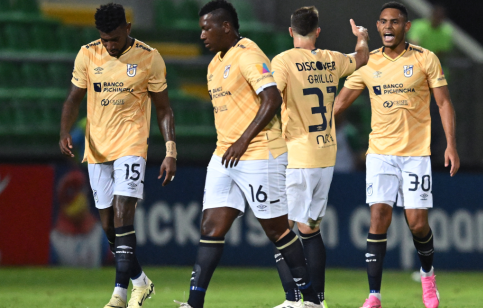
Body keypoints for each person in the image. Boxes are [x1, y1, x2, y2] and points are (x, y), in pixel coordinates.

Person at [174, 1, 321, 308]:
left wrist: (242, 140)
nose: (202, 35)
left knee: (277, 230)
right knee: (210, 228)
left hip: (259, 152)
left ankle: (310, 300)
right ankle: (194, 303)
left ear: (225, 27)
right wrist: (232, 144)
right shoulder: (215, 63)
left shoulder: (248, 54)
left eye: (207, 28)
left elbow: (272, 99)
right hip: (225, 155)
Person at [334, 2, 460, 308]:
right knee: (378, 216)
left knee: (417, 223)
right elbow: (340, 102)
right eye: (383, 22)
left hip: (416, 153)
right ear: (377, 27)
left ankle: (428, 276)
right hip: (380, 153)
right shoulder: (367, 63)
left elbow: (443, 103)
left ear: (406, 27)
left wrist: (451, 144)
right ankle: (374, 295)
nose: (388, 26)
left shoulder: (424, 58)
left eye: (395, 22)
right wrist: (313, 129)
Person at [58, 3, 177, 308]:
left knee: (124, 212)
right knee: (110, 228)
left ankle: (119, 295)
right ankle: (141, 281)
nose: (109, 46)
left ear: (128, 28)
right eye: (104, 39)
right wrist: (64, 132)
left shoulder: (149, 58)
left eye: (114, 39)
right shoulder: (88, 53)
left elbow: (163, 109)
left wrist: (170, 150)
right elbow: (73, 98)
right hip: (97, 148)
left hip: (132, 146)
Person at [269, 6, 369, 308]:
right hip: (326, 154)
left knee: (280, 229)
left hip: (298, 154)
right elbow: (361, 58)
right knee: (310, 229)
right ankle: (316, 301)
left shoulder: (283, 60)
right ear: (317, 32)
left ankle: (293, 299)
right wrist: (361, 37)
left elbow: (271, 97)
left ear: (290, 32)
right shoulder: (332, 59)